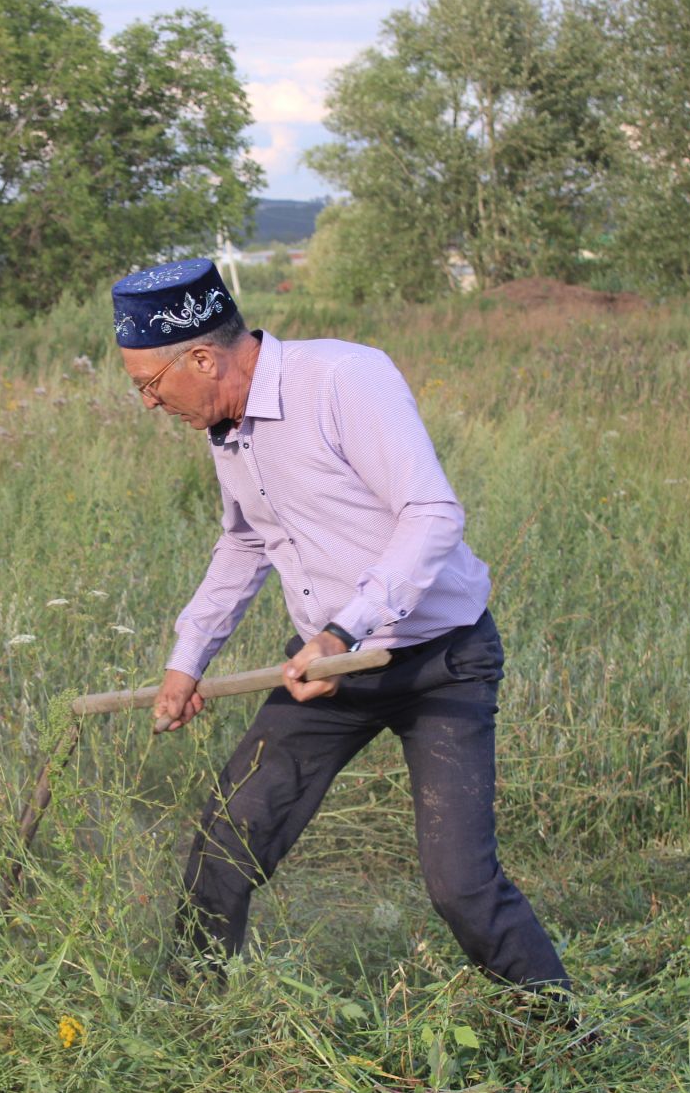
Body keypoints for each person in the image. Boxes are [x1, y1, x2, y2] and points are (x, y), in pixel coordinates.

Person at [112, 258, 570, 992]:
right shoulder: (227, 427)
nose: (148, 403)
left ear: (202, 357)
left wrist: (345, 631)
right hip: (327, 674)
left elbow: (433, 515)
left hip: (438, 662)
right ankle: (189, 1033)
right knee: (224, 844)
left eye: (150, 385)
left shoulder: (344, 380)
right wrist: (188, 656)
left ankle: (561, 1032)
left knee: (462, 886)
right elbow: (247, 540)